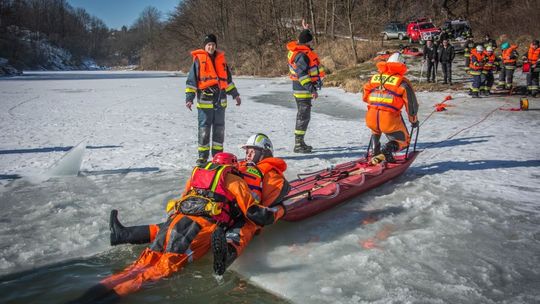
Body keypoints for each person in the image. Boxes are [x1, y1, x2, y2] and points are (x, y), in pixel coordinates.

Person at [73, 153, 285, 301]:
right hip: (202, 228)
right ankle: (114, 298)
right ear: (232, 165)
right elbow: (252, 212)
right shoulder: (234, 180)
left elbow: (184, 198)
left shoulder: (197, 174)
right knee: (159, 270)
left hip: (175, 222)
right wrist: (277, 212)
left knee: (139, 265)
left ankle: (90, 294)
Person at [109, 134, 289, 276]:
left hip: (227, 210)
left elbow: (269, 196)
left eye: (253, 151)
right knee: (245, 226)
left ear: (264, 153)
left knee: (242, 225)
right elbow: (265, 207)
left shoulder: (267, 172)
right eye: (247, 150)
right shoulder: (238, 168)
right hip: (224, 212)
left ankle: (124, 235)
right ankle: (225, 253)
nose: (248, 154)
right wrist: (280, 211)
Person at [185, 34, 241, 165]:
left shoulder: (222, 60)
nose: (211, 47)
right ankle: (203, 157)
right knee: (204, 129)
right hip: (205, 102)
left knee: (219, 130)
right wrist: (189, 98)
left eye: (213, 45)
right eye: (209, 45)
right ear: (205, 46)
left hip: (220, 102)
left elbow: (228, 81)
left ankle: (218, 156)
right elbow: (191, 82)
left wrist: (235, 95)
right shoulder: (198, 60)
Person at [362, 52, 419, 165]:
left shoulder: (375, 78)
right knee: (404, 141)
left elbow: (365, 96)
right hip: (389, 120)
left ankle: (375, 152)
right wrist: (414, 121)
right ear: (402, 65)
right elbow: (411, 105)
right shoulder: (402, 82)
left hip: (371, 117)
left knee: (376, 130)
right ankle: (387, 150)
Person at [286, 20, 325, 153]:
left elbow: (302, 38)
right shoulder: (302, 55)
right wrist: (312, 89)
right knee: (303, 116)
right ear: (307, 42)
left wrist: (306, 29)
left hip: (301, 88)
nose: (311, 43)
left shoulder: (299, 49)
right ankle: (298, 144)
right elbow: (302, 75)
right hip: (302, 89)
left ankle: (300, 142)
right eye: (310, 40)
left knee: (304, 116)